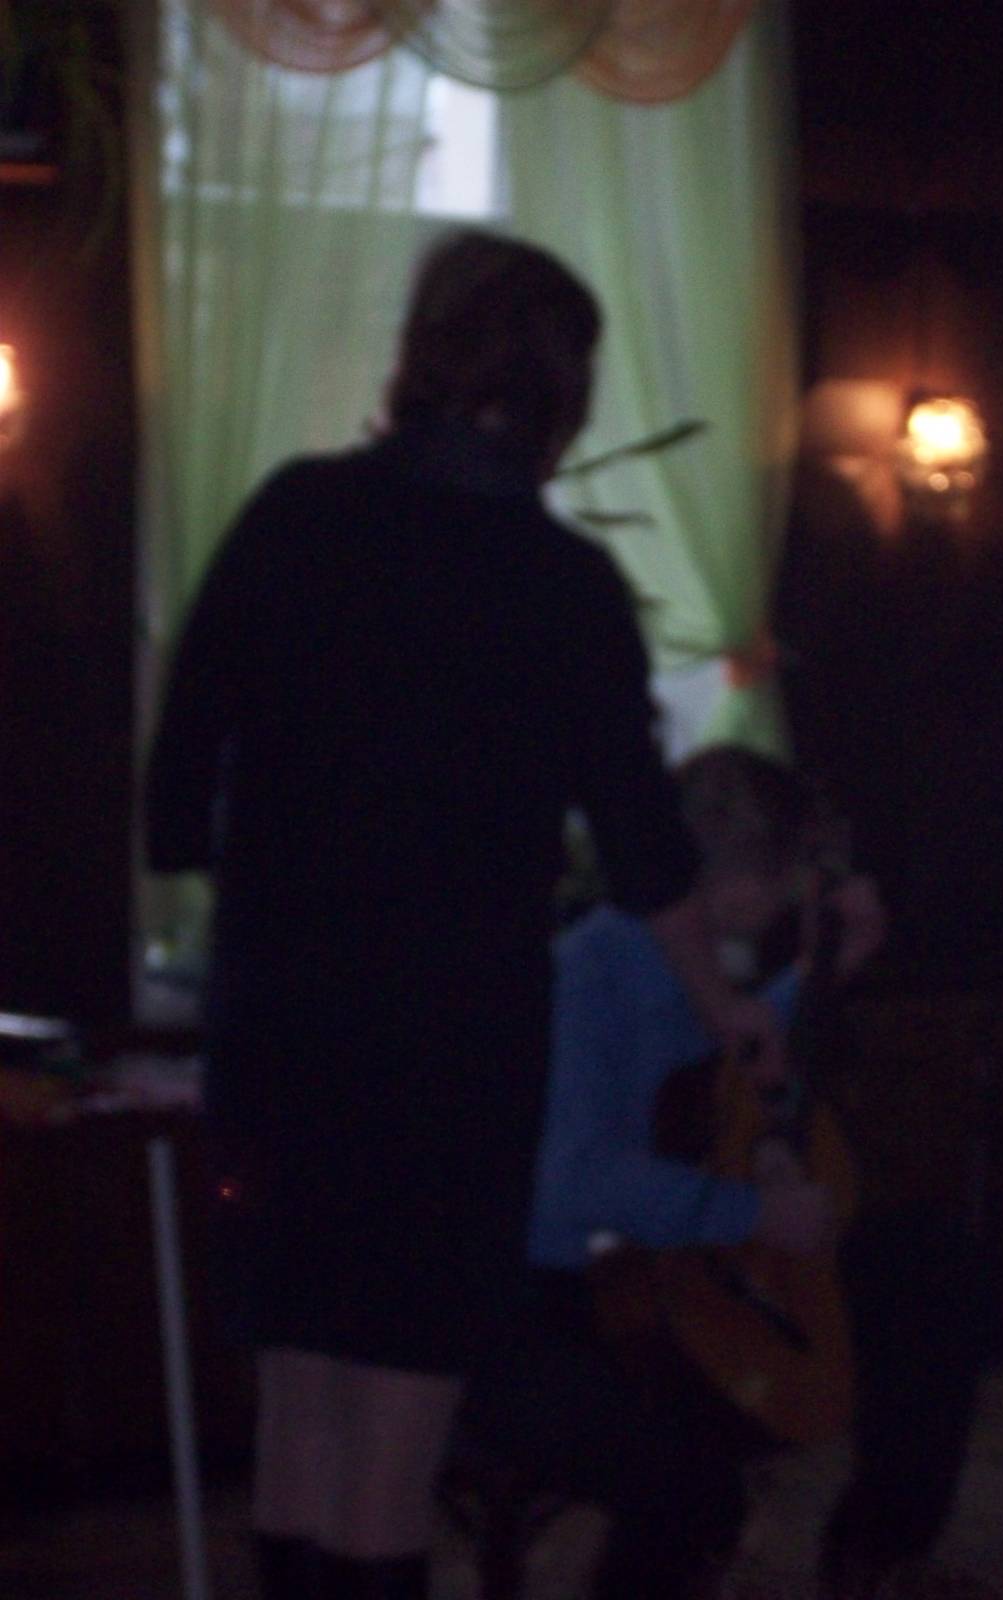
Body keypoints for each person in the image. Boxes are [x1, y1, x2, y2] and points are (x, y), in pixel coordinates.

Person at [143, 230, 786, 1600]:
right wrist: (727, 1003)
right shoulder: (561, 587)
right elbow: (646, 854)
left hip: (280, 1039)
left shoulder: (293, 516)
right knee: (392, 1442)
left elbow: (176, 791)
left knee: (301, 1413)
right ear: (563, 394)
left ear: (425, 356)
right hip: (447, 1058)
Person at [458, 744, 984, 1600]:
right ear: (742, 883)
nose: (784, 902)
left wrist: (828, 969)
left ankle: (877, 1552)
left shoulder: (694, 970)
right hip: (551, 1309)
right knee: (689, 1487)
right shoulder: (587, 974)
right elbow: (573, 1181)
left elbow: (724, 1071)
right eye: (784, 881)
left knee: (928, 1264)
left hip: (676, 1281)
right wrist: (750, 1213)